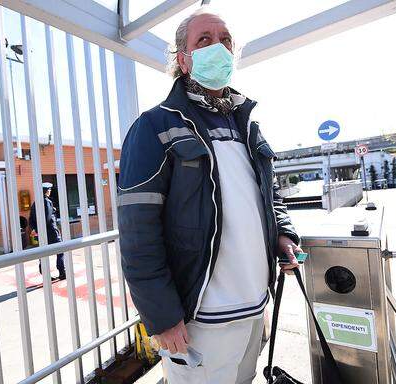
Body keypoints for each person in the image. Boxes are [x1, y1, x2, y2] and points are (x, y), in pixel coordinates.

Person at [117, 8, 301, 384]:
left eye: (225, 40)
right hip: (201, 320)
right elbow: (138, 234)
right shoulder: (153, 126)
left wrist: (283, 232)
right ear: (183, 60)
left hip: (254, 309)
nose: (217, 47)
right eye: (204, 40)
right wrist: (162, 317)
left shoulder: (248, 124)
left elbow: (269, 194)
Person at [28, 182, 66, 280]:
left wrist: (34, 229)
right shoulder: (47, 201)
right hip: (51, 232)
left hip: (41, 233)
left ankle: (45, 273)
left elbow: (31, 218)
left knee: (43, 253)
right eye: (49, 190)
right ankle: (62, 272)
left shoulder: (35, 203)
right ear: (46, 192)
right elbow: (47, 218)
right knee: (60, 250)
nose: (49, 192)